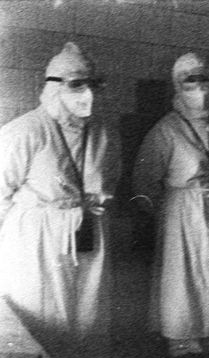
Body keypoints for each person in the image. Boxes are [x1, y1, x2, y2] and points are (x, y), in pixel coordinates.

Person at [0, 42, 120, 340]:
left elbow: (110, 178)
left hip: (88, 233)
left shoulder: (104, 133)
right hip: (36, 240)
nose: (87, 94)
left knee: (87, 312)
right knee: (43, 313)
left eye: (93, 85)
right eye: (76, 85)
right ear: (54, 87)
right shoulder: (25, 131)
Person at [132, 53, 209, 358]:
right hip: (182, 211)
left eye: (203, 79)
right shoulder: (166, 129)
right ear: (178, 85)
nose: (199, 87)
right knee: (184, 277)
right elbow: (144, 179)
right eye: (190, 80)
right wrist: (166, 212)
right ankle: (183, 340)